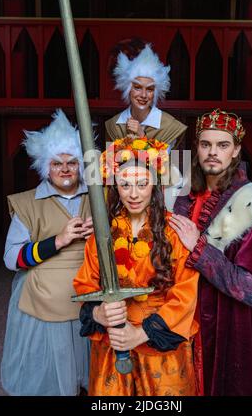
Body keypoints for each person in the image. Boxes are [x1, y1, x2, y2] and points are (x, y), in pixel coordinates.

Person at [73, 136, 199, 396]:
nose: (133, 194)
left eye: (142, 184)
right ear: (115, 185)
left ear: (154, 184)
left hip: (160, 349)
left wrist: (141, 333)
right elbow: (86, 284)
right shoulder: (102, 234)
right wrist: (99, 315)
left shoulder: (174, 232)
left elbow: (186, 294)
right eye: (125, 184)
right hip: (114, 342)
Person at [171, 108, 252, 396]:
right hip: (183, 317)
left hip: (227, 327)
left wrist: (200, 247)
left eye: (223, 145)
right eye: (206, 144)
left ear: (236, 151)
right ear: (197, 148)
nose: (213, 152)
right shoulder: (184, 200)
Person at [1, 109, 93, 396]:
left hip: (89, 289)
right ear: (45, 166)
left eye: (72, 162)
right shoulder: (27, 203)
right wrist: (58, 240)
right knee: (52, 373)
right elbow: (11, 259)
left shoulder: (99, 198)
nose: (65, 169)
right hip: (45, 296)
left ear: (80, 165)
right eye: (57, 163)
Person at [105, 40, 187, 150]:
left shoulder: (170, 126)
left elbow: (174, 164)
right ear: (128, 89)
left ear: (155, 93)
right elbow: (108, 164)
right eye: (137, 88)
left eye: (149, 89)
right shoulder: (113, 125)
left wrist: (141, 136)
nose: (143, 95)